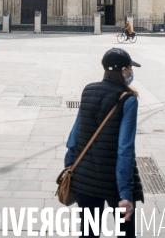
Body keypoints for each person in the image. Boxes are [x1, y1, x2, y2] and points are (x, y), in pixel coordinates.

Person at [64, 48, 143, 238]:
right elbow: (125, 150)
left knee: (88, 234)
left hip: (84, 178)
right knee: (126, 233)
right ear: (124, 71)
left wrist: (70, 169)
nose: (131, 73)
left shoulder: (88, 90)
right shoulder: (128, 99)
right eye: (130, 69)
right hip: (114, 181)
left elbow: (73, 137)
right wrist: (125, 193)